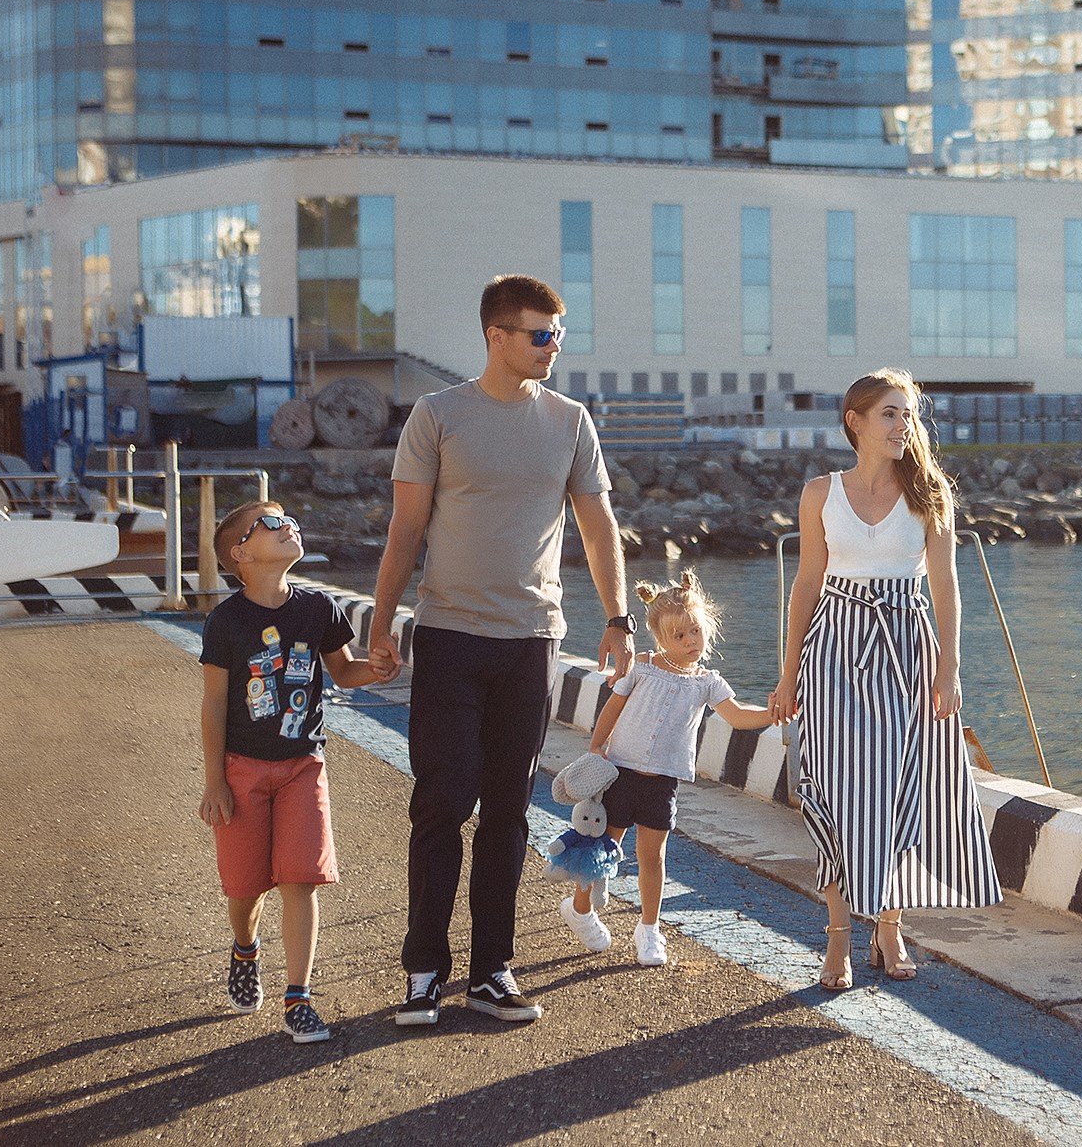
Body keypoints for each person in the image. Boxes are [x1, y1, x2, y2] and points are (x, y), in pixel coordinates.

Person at [368, 274, 633, 1027]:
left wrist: (619, 617)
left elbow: (598, 528)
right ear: (497, 336)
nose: (554, 346)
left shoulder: (571, 420)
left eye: (559, 334)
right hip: (449, 635)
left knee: (508, 812)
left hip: (531, 640)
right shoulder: (438, 414)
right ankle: (424, 970)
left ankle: (492, 970)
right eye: (541, 334)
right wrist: (381, 622)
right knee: (441, 804)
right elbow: (405, 529)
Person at [768, 369, 1002, 990]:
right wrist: (787, 675)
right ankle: (838, 936)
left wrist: (950, 667)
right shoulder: (820, 493)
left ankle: (890, 928)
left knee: (899, 789)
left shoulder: (929, 492)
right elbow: (806, 584)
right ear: (856, 421)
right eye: (891, 414)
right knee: (834, 792)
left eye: (909, 414)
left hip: (907, 648)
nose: (904, 426)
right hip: (834, 648)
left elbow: (946, 585)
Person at [198, 500, 378, 1043]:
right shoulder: (226, 621)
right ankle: (244, 949)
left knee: (301, 880)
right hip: (243, 770)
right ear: (241, 553)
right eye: (272, 523)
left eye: (290, 520)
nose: (289, 526)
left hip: (303, 765)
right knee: (246, 889)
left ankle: (298, 997)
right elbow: (214, 704)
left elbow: (344, 671)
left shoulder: (318, 608)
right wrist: (215, 782)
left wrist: (378, 669)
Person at [561, 571, 777, 967]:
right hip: (620, 773)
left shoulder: (708, 682)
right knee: (601, 849)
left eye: (696, 631)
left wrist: (772, 714)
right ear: (662, 640)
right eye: (680, 636)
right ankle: (580, 909)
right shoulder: (642, 666)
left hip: (663, 783)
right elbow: (613, 707)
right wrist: (595, 747)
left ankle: (649, 929)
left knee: (653, 857)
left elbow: (737, 716)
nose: (691, 641)